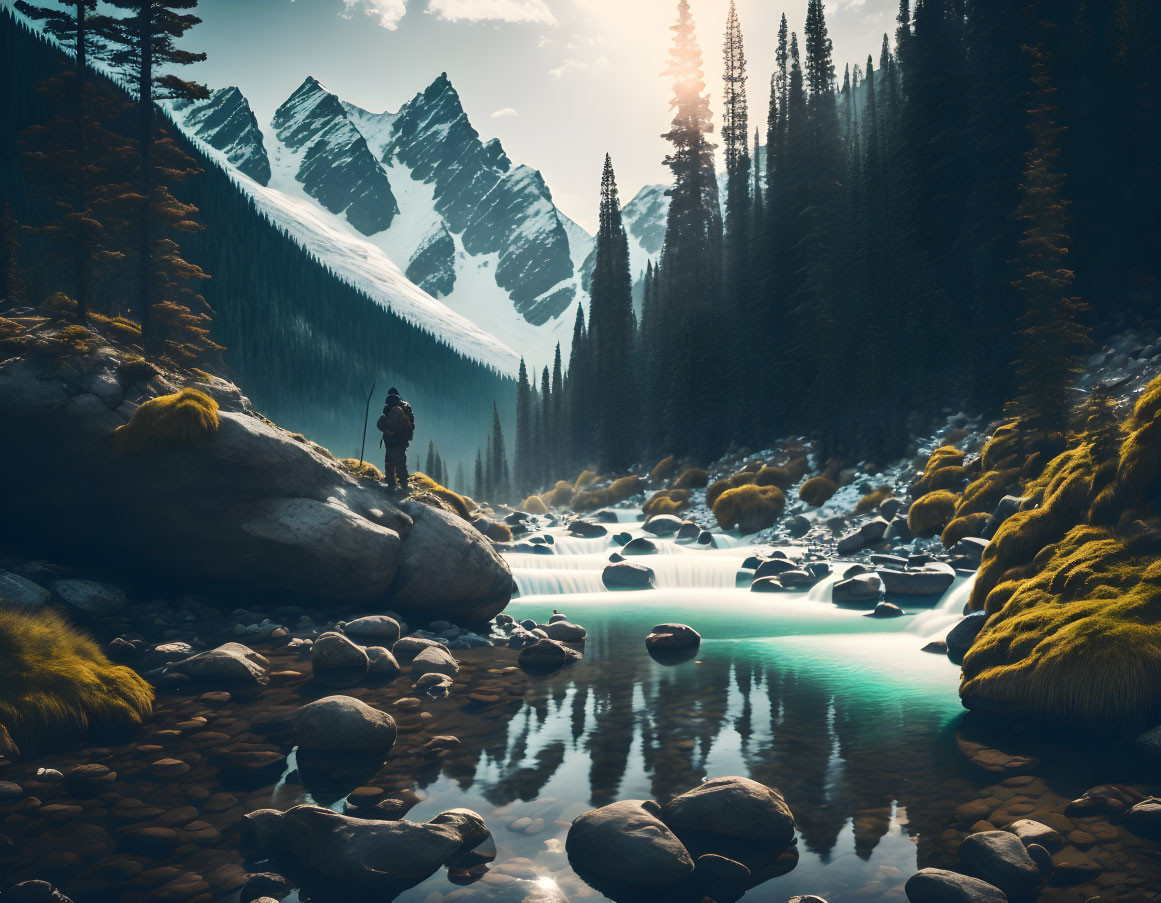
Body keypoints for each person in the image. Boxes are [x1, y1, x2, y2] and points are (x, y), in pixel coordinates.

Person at [376, 387, 414, 491]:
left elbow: (386, 423)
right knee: (400, 462)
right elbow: (411, 424)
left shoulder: (391, 409)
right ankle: (404, 486)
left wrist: (386, 427)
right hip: (401, 440)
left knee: (389, 462)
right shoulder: (405, 408)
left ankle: (391, 485)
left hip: (391, 440)